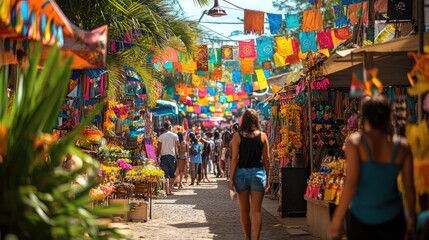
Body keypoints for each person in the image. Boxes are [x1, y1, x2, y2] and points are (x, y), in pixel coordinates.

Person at [329, 95, 416, 240]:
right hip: (393, 220)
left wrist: (337, 219)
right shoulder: (402, 146)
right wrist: (412, 219)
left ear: (365, 118)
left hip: (361, 219)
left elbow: (351, 182)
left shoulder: (356, 143)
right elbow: (409, 187)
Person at [229, 109, 270, 240]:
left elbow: (234, 158)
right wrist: (268, 177)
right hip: (258, 174)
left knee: (244, 210)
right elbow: (267, 159)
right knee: (256, 211)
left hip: (241, 174)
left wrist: (231, 178)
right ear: (256, 120)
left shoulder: (237, 136)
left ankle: (248, 238)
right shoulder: (263, 136)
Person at [157, 121, 179, 196]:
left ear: (164, 127)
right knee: (172, 174)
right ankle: (170, 188)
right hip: (172, 156)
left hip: (163, 157)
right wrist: (177, 155)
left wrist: (157, 156)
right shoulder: (175, 136)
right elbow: (177, 146)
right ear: (170, 127)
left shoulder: (161, 136)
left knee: (165, 175)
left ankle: (167, 190)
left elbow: (159, 148)